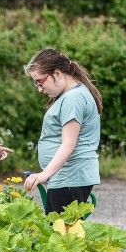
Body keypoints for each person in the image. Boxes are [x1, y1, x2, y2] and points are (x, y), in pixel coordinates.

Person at [23, 48, 102, 214]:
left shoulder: (73, 98)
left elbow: (68, 144)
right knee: (59, 233)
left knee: (63, 236)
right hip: (64, 177)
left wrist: (44, 174)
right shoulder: (70, 95)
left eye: (40, 81)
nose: (39, 89)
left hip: (70, 177)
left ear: (57, 73)